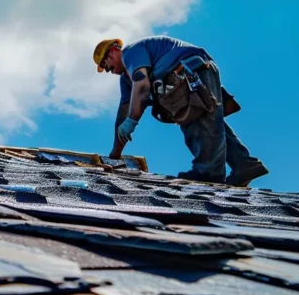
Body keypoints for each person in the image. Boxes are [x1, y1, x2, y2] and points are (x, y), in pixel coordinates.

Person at [94, 36, 268, 186]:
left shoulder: (130, 52)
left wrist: (132, 121)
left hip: (191, 71)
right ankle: (243, 165)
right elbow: (123, 114)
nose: (108, 70)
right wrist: (115, 154)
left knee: (197, 120)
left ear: (113, 51)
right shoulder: (126, 80)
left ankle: (208, 173)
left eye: (105, 63)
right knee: (207, 121)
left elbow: (143, 87)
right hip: (183, 79)